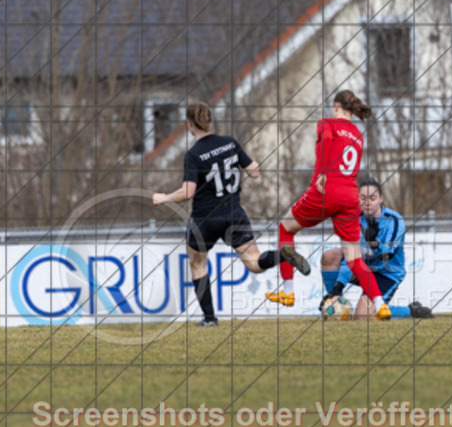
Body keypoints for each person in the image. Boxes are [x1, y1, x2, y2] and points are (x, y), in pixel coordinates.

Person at [152, 103, 310, 326]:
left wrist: (164, 197)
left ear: (189, 125)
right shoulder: (230, 143)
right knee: (254, 263)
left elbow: (187, 192)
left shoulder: (193, 155)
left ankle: (210, 319)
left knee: (197, 264)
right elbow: (254, 171)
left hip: (205, 219)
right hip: (235, 213)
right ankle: (282, 255)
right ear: (210, 121)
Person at [265, 90, 390, 320]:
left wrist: (319, 175)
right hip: (350, 196)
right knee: (354, 258)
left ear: (336, 106)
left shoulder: (327, 123)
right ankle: (381, 305)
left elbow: (325, 143)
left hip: (327, 190)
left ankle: (288, 292)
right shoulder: (358, 135)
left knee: (285, 227)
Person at [319, 178, 434, 320]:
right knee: (330, 256)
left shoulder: (394, 220)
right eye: (363, 198)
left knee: (362, 316)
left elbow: (388, 255)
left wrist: (374, 243)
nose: (367, 203)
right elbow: (351, 257)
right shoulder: (354, 219)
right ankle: (335, 305)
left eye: (372, 198)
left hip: (386, 273)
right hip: (363, 269)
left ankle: (411, 311)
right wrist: (338, 286)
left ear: (381, 199)